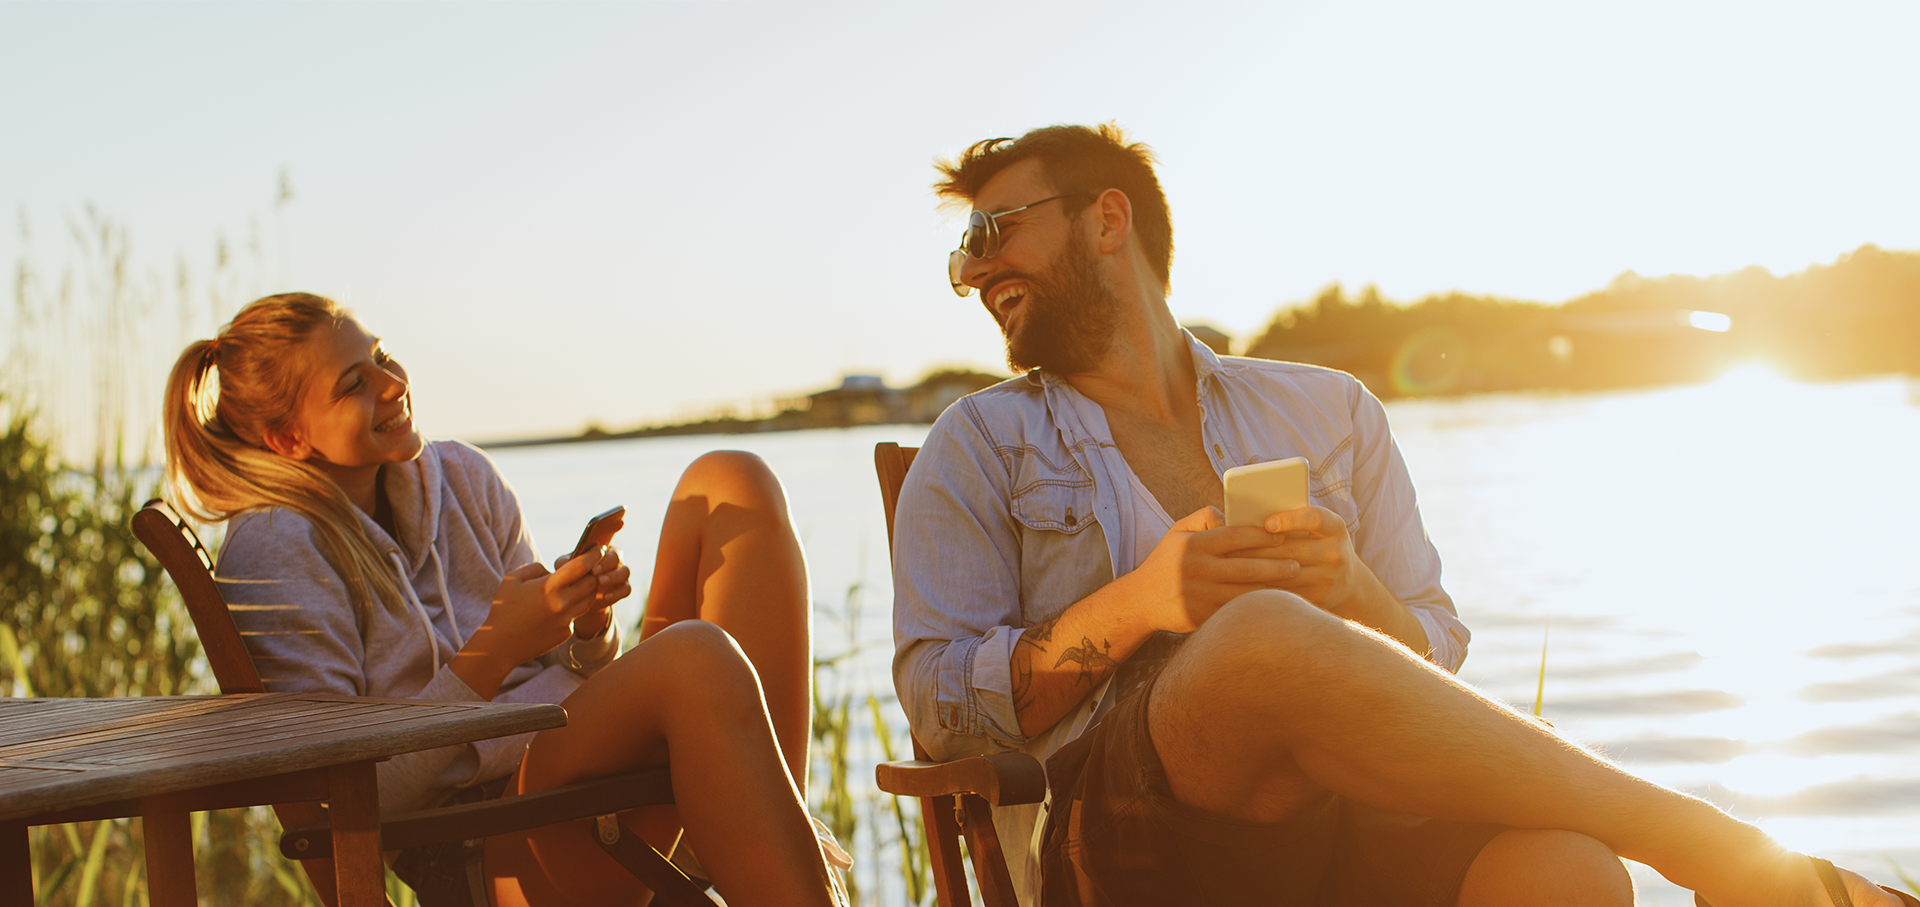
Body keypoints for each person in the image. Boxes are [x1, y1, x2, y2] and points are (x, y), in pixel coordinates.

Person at [891, 124, 1906, 907]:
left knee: (1564, 870)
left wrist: (1355, 593)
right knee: (1261, 635)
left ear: (1106, 220)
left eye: (994, 232)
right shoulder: (978, 444)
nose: (973, 270)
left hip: (1353, 815)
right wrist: (1143, 604)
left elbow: (1432, 650)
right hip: (1113, 838)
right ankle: (1724, 853)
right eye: (961, 253)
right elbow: (938, 713)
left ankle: (1693, 851)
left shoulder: (1328, 410)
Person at [163, 292, 848, 907]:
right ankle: (777, 859)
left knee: (732, 481)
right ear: (287, 438)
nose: (394, 383)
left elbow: (574, 673)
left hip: (578, 778)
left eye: (382, 357)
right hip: (484, 839)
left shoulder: (459, 475)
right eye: (355, 383)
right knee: (695, 658)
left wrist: (585, 628)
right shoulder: (277, 551)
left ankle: (762, 851)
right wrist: (493, 652)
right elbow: (341, 799)